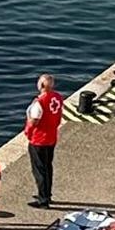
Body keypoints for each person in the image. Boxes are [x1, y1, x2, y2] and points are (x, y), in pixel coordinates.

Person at [24, 73, 65, 208]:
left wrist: (28, 132)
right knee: (48, 167)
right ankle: (47, 193)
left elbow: (34, 121)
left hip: (39, 140)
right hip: (51, 137)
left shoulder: (39, 103)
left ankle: (43, 199)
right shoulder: (57, 97)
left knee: (39, 169)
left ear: (41, 85)